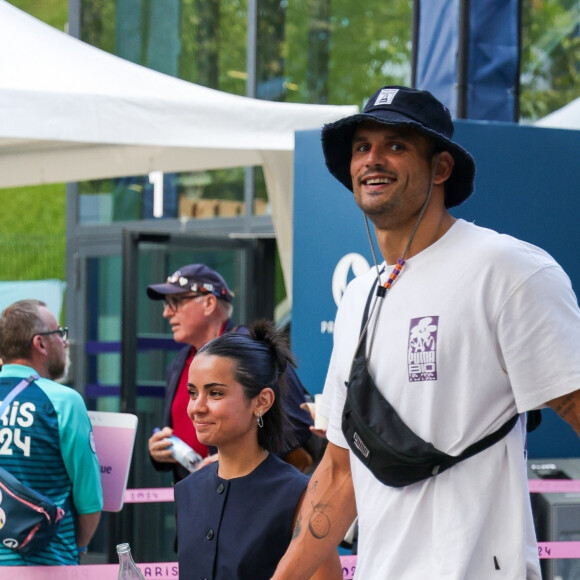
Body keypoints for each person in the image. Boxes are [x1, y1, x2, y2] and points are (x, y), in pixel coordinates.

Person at [271, 85, 580, 579]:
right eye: (361, 147)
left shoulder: (507, 269)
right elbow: (338, 471)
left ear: (441, 168)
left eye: (396, 145)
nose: (373, 159)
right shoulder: (359, 296)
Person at [174, 320, 342, 580]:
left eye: (215, 393)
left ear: (262, 401)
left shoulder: (298, 495)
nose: (197, 407)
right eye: (192, 393)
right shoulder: (188, 490)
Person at [146, 263, 318, 483]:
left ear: (209, 303)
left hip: (251, 500)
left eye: (175, 302)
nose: (166, 312)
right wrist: (160, 453)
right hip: (200, 501)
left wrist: (233, 462)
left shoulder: (251, 352)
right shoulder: (179, 362)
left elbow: (298, 425)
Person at [0, 299, 102, 566]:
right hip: (48, 563)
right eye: (59, 333)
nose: (65, 342)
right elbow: (89, 503)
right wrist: (74, 549)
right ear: (40, 343)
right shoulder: (63, 401)